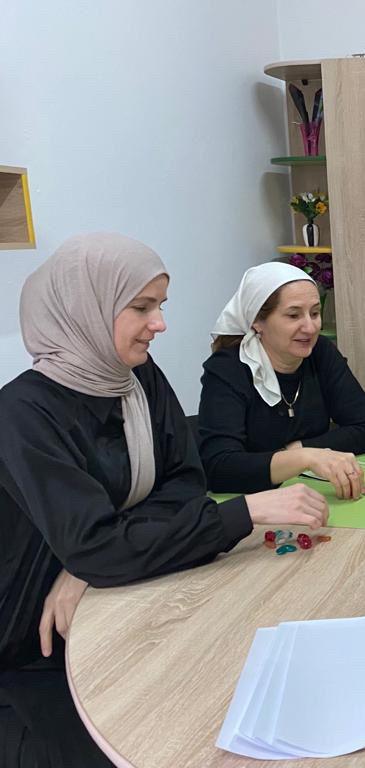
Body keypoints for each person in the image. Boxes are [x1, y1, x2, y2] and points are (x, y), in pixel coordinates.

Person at [0, 233, 328, 767]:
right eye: (141, 307)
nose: (160, 324)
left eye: (160, 306)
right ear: (84, 308)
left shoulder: (138, 378)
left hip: (123, 586)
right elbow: (102, 542)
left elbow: (183, 481)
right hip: (31, 645)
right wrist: (245, 511)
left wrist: (86, 563)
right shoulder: (22, 413)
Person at [198, 262, 365, 498]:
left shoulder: (320, 352)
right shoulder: (227, 369)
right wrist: (303, 458)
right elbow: (219, 468)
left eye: (315, 313)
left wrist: (298, 450)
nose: (310, 328)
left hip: (312, 493)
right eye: (294, 315)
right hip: (252, 503)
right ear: (257, 321)